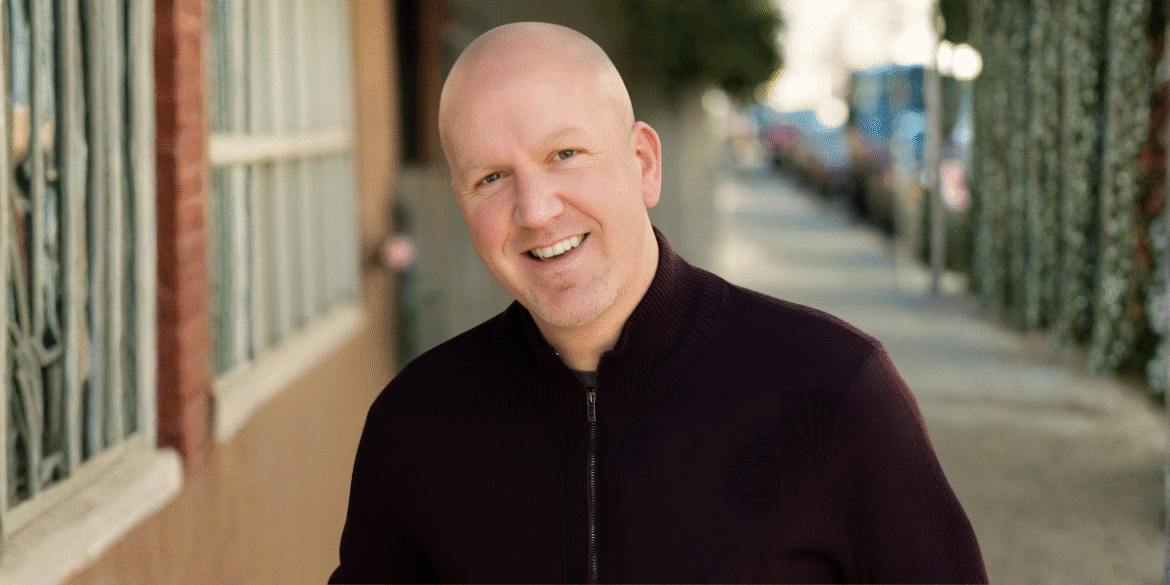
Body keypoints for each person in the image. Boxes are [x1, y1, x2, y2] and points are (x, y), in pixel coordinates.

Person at [330, 22, 987, 585]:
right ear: (462, 201)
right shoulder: (414, 424)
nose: (535, 210)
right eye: (492, 178)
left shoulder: (835, 388)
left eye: (564, 154)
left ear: (643, 162)